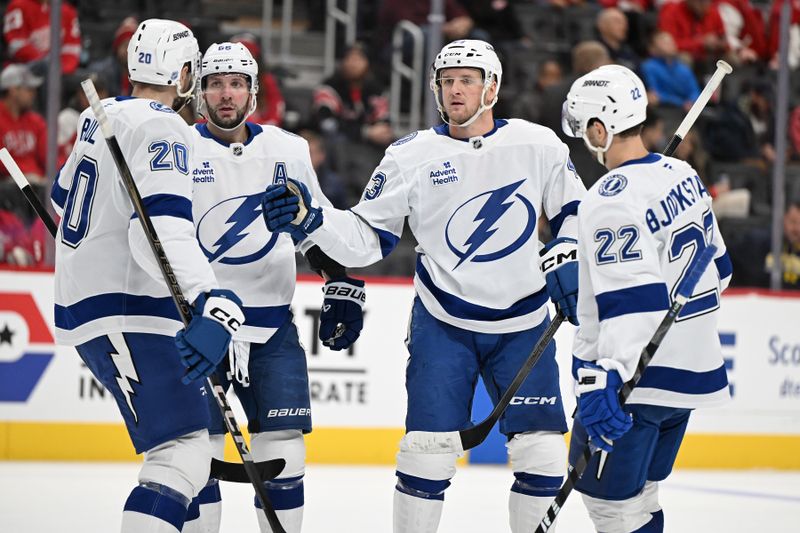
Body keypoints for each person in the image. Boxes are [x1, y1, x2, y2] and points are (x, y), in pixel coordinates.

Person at [262, 39, 585, 533]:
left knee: (541, 454)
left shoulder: (537, 144)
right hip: (444, 321)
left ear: (492, 87)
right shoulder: (410, 155)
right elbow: (366, 240)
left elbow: (576, 214)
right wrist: (313, 218)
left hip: (524, 323)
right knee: (426, 453)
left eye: (467, 80)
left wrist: (566, 253)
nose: (454, 90)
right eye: (446, 80)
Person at [50, 19, 244, 533]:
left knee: (196, 444)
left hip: (87, 301)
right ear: (184, 72)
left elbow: (60, 200)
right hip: (129, 304)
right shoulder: (164, 126)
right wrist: (211, 298)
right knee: (179, 454)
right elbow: (157, 231)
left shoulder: (101, 115)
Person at [181, 42, 365, 533]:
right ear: (199, 93)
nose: (226, 94)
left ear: (253, 93)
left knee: (284, 446)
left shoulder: (288, 149)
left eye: (236, 83)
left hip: (271, 325)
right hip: (197, 327)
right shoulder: (178, 148)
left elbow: (311, 227)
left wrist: (338, 278)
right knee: (194, 453)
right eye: (215, 83)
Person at [561, 64, 733, 533]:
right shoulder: (683, 173)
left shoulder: (608, 199)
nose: (584, 141)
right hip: (687, 376)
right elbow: (720, 269)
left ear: (601, 127)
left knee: (612, 508)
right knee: (641, 496)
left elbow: (634, 305)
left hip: (637, 382)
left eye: (584, 130)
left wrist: (607, 381)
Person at [2, 0, 81, 75]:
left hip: (59, 71)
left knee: (87, 82)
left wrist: (63, 69)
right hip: (23, 68)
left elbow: (72, 48)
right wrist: (43, 63)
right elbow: (16, 43)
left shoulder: (67, 11)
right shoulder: (18, 5)